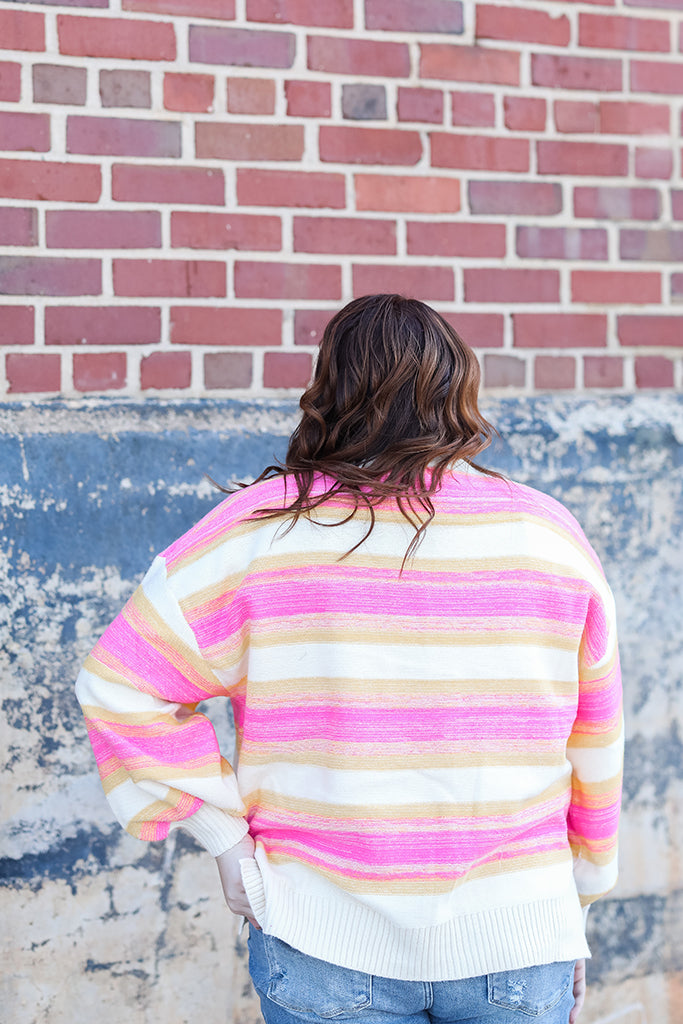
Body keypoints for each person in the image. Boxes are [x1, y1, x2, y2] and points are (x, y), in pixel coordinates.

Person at [75, 294, 623, 1024]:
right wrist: (573, 901)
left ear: (328, 388)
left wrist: (225, 842)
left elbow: (120, 683)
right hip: (519, 938)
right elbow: (596, 738)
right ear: (458, 386)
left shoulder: (253, 534)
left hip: (319, 936)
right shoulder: (548, 537)